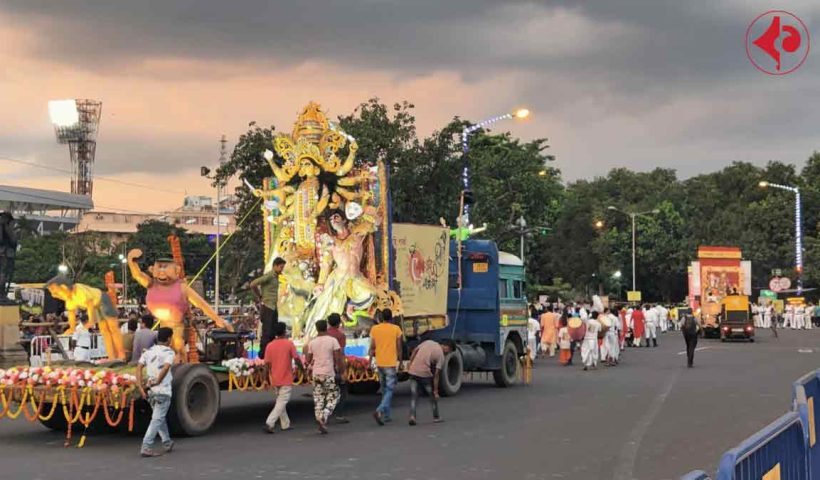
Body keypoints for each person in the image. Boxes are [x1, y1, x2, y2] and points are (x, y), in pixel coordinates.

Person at [136, 327, 175, 457]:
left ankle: (167, 442)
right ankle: (146, 446)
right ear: (169, 338)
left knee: (159, 417)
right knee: (157, 419)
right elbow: (166, 367)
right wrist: (158, 380)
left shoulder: (149, 351)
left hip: (150, 391)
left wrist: (141, 387)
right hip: (163, 390)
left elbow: (139, 367)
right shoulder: (169, 352)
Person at [263, 322, 303, 434]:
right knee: (282, 402)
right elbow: (297, 359)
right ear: (285, 331)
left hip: (274, 378)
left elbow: (266, 365)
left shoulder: (269, 346)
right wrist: (302, 370)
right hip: (286, 377)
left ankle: (285, 424)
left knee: (280, 402)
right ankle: (269, 423)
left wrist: (265, 379)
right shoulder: (289, 344)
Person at [305, 320, 344, 434]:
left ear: (317, 329)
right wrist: (340, 370)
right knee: (334, 396)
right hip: (328, 372)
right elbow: (338, 358)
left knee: (318, 397)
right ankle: (324, 415)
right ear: (326, 327)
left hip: (316, 373)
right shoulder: (332, 341)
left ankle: (318, 416)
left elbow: (308, 359)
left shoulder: (312, 343)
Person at [407, 337, 453, 425]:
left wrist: (410, 363)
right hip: (424, 375)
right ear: (446, 347)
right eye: (449, 351)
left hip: (413, 372)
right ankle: (436, 417)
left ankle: (412, 416)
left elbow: (415, 351)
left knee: (414, 396)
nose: (447, 353)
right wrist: (436, 391)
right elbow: (436, 374)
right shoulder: (441, 355)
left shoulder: (427, 342)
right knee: (432, 396)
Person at [369, 308, 402, 426]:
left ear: (381, 318)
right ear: (391, 317)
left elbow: (372, 347)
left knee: (383, 389)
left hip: (379, 362)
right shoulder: (396, 329)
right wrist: (401, 361)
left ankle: (387, 416)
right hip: (390, 363)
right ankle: (380, 410)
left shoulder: (375, 329)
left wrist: (369, 361)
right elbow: (399, 347)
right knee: (390, 389)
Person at [251, 257, 287, 358]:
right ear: (274, 266)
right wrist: (259, 296)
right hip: (267, 307)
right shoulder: (269, 276)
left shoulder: (275, 277)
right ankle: (263, 354)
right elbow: (253, 284)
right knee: (267, 332)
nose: (281, 269)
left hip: (273, 307)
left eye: (282, 267)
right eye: (280, 267)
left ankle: (271, 353)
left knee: (272, 331)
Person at [326, 313, 349, 424]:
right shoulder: (340, 335)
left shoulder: (323, 334)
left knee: (328, 391)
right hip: (336, 366)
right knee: (343, 391)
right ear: (339, 323)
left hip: (324, 366)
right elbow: (341, 354)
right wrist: (343, 369)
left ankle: (324, 414)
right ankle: (339, 414)